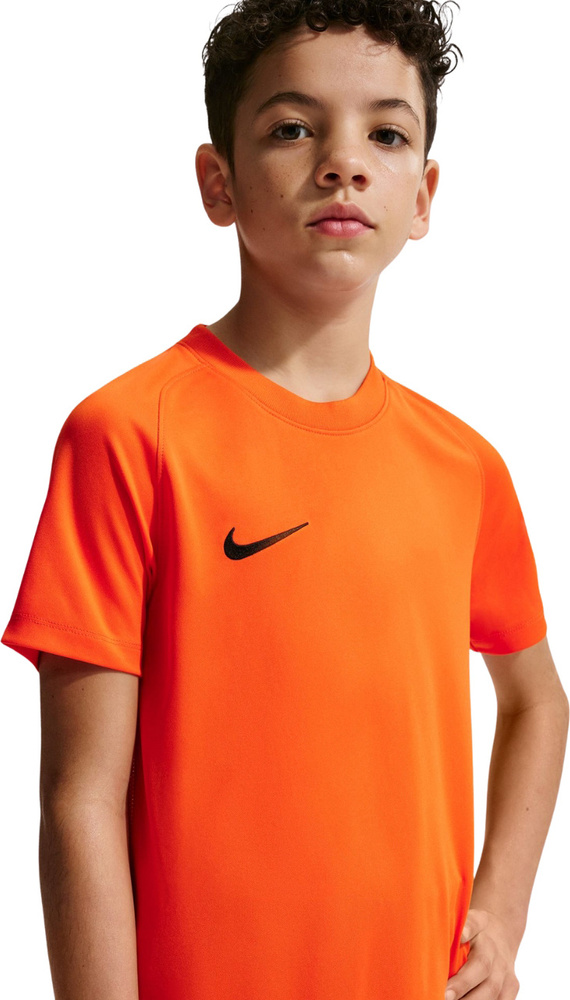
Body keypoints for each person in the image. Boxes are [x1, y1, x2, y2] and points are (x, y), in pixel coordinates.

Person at [2, 2, 568, 999]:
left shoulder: (465, 465)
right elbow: (79, 800)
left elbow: (535, 700)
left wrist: (503, 911)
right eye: (294, 128)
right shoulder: (129, 434)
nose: (343, 163)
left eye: (386, 135)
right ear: (217, 182)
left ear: (424, 195)